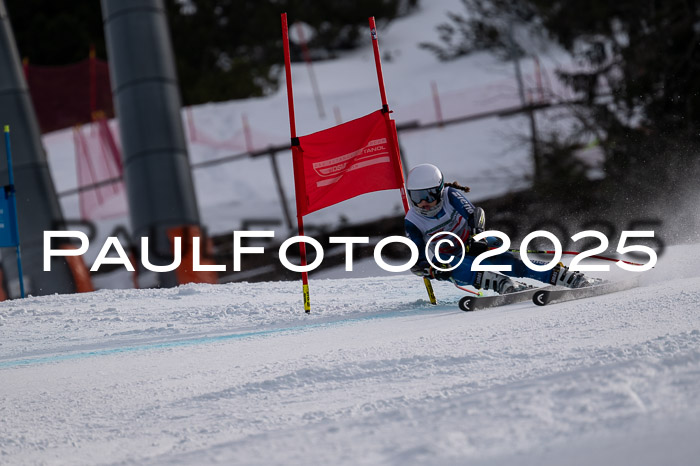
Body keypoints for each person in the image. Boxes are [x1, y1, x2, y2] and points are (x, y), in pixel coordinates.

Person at [404, 163, 593, 294]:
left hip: (474, 245)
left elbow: (475, 214)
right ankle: (499, 283)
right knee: (443, 261)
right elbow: (417, 260)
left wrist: (477, 237)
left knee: (511, 262)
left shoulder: (449, 195)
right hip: (453, 258)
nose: (423, 203)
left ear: (438, 189)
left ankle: (562, 275)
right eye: (416, 197)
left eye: (428, 196)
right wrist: (432, 271)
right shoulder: (412, 220)